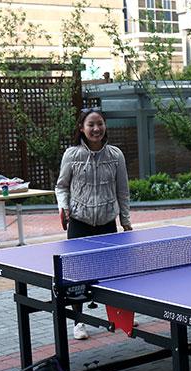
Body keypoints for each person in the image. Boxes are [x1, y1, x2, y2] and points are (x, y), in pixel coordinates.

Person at [55, 106, 133, 340]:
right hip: (79, 222)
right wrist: (63, 206)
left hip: (107, 222)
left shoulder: (116, 155)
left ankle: (117, 316)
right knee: (77, 274)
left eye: (99, 123)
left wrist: (126, 221)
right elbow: (61, 186)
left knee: (112, 272)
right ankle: (78, 321)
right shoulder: (71, 155)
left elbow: (123, 191)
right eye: (91, 125)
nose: (96, 128)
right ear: (82, 128)